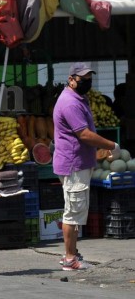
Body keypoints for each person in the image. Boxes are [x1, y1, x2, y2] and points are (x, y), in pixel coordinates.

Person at [53, 62, 121, 271]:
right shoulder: (70, 103)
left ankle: (73, 253)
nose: (87, 82)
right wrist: (112, 145)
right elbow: (83, 134)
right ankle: (70, 258)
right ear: (71, 79)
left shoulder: (77, 98)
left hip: (76, 162)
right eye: (83, 79)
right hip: (74, 164)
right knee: (72, 213)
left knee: (74, 210)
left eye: (89, 79)